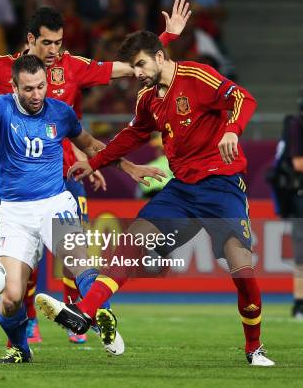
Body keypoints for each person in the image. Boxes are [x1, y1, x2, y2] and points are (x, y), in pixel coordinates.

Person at [0, 0, 191, 350]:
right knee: (21, 277)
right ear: (30, 40)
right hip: (17, 191)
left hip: (66, 177)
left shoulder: (72, 67)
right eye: (47, 43)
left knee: (75, 261)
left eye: (59, 43)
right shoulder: (1, 71)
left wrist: (166, 38)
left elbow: (131, 69)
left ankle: (88, 316)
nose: (54, 51)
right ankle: (27, 330)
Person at [36, 30, 275, 366]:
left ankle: (254, 348)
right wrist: (94, 161)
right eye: (134, 67)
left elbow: (243, 99)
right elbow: (133, 134)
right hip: (181, 190)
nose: (137, 73)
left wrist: (232, 129)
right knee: (132, 240)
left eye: (141, 65)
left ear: (160, 57)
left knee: (243, 272)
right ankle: (85, 312)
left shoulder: (196, 75)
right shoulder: (148, 97)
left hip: (222, 187)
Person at [0, 54, 164, 363]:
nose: (37, 94)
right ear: (14, 87)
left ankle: (102, 316)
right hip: (14, 214)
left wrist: (128, 166)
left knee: (81, 267)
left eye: (41, 87)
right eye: (28, 89)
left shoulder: (61, 112)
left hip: (56, 204)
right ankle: (19, 349)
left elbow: (91, 143)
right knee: (11, 298)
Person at [268, 102, 303, 319]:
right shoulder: (296, 126)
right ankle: (300, 303)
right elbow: (298, 163)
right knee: (302, 256)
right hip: (299, 197)